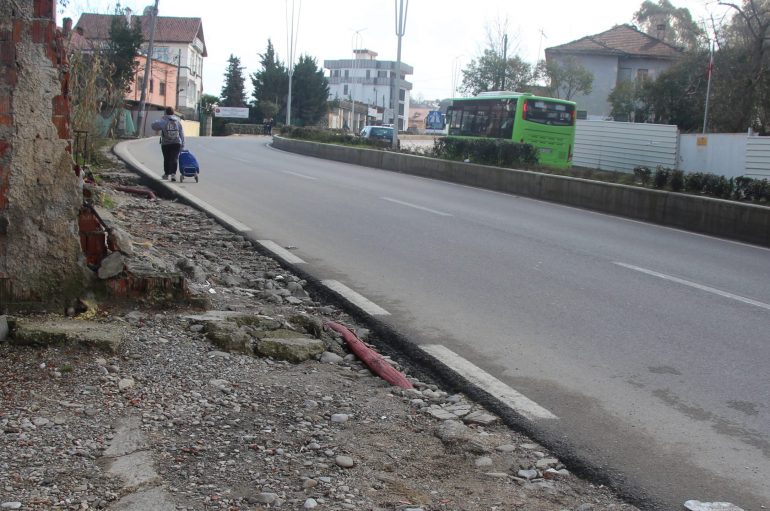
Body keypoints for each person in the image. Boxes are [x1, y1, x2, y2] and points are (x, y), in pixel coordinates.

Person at [151, 106, 185, 181]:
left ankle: (166, 174)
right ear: (173, 113)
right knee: (174, 158)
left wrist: (160, 119)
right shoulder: (177, 121)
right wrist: (182, 143)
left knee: (167, 159)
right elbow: (181, 133)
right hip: (176, 143)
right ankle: (173, 174)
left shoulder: (163, 121)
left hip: (166, 143)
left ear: (165, 112)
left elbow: (153, 126)